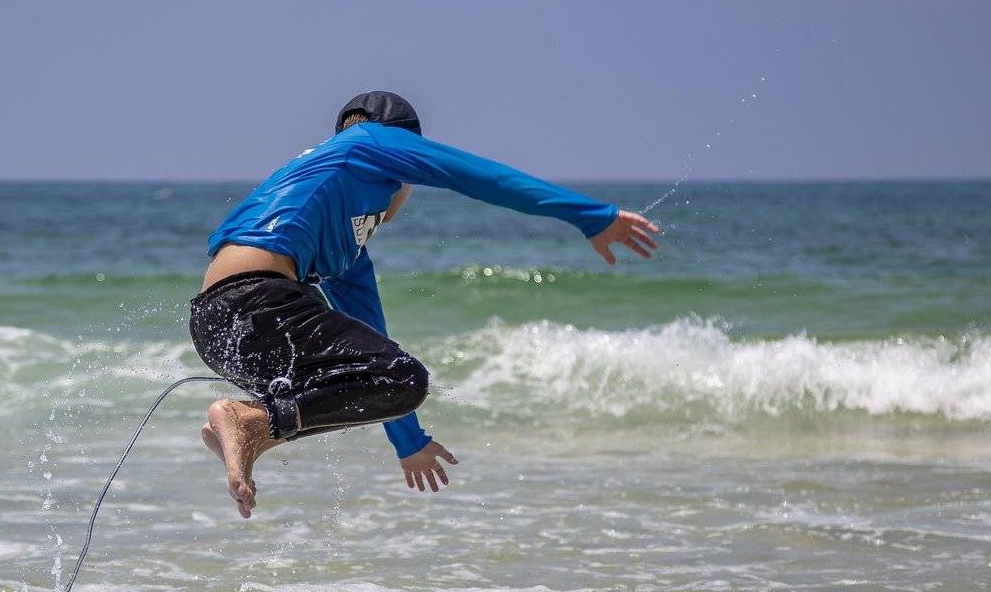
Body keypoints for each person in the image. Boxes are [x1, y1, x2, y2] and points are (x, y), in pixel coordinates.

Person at [189, 91, 660, 518]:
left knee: (372, 385)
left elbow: (373, 347)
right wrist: (591, 216)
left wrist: (409, 441)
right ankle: (249, 421)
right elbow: (484, 178)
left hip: (217, 327)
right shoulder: (372, 142)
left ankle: (252, 429)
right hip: (258, 302)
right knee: (403, 378)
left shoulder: (344, 247)